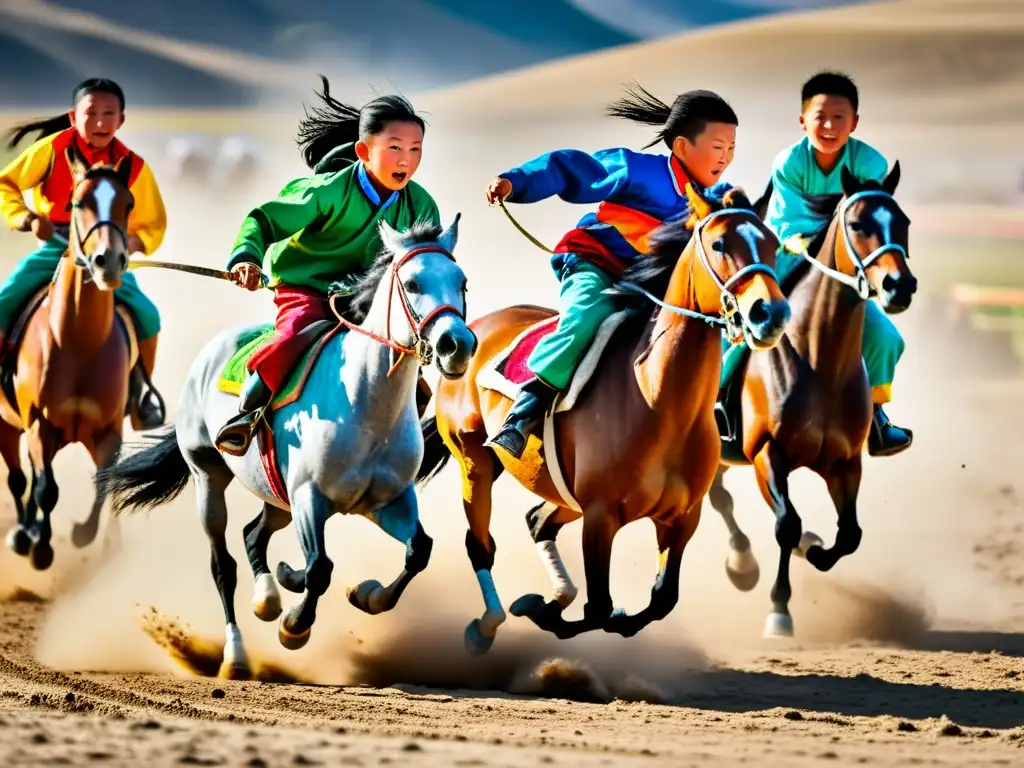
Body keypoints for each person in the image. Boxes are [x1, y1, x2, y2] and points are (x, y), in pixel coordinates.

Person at [484, 83, 739, 459]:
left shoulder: (717, 201)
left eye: (732, 148)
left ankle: (710, 412)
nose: (726, 158)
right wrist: (516, 181)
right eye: (718, 148)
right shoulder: (638, 170)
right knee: (588, 314)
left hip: (653, 291)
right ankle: (525, 410)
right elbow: (569, 167)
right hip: (595, 264)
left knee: (708, 330)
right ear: (683, 146)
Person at [215, 76, 441, 456]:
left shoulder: (421, 205)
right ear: (364, 151)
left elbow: (428, 263)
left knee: (410, 369)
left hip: (368, 300)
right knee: (293, 336)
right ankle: (247, 415)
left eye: (416, 149)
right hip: (308, 288)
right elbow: (264, 220)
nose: (406, 159)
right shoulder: (326, 192)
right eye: (395, 147)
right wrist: (246, 256)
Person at [0, 78, 167, 430]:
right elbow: (7, 183)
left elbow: (152, 222)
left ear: (122, 119)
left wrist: (129, 245)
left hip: (106, 253)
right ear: (73, 117)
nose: (102, 122)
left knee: (148, 316)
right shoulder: (51, 149)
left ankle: (140, 393)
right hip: (54, 248)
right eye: (92, 113)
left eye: (110, 114)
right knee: (4, 302)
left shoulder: (133, 166)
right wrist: (27, 219)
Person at [764, 71, 911, 456]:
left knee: (885, 337)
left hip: (845, 268)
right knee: (756, 321)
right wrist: (811, 244)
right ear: (803, 121)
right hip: (791, 255)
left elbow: (871, 220)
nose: (829, 126)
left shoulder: (871, 163)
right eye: (820, 116)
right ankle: (722, 402)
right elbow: (789, 224)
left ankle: (877, 417)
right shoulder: (789, 163)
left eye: (839, 117)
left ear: (855, 122)